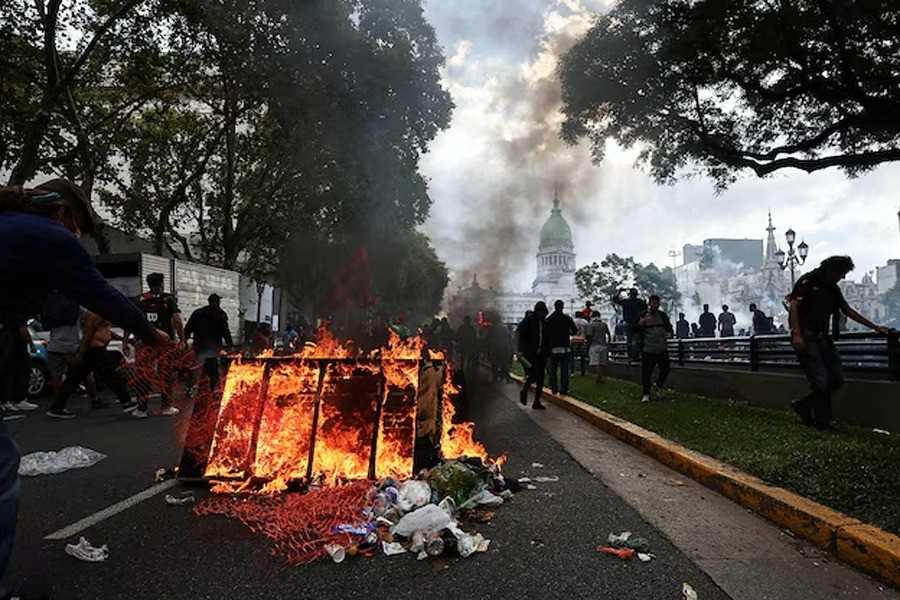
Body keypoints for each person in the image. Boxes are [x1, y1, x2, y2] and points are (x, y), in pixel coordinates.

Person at [0, 180, 167, 590]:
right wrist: (150, 335)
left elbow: (56, 305)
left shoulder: (12, 227)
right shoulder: (51, 236)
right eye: (79, 226)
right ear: (63, 214)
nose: (78, 236)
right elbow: (100, 295)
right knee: (1, 471)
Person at [786, 256, 893, 429]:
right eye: (840, 273)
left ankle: (803, 405)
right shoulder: (807, 281)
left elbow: (847, 310)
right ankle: (823, 421)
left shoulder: (832, 288)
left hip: (823, 337)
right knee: (820, 381)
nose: (842, 277)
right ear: (831, 270)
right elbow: (794, 306)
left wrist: (874, 327)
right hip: (807, 335)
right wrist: (797, 333)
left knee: (836, 378)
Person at [47, 311, 138, 418]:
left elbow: (106, 330)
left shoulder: (102, 312)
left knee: (75, 378)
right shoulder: (95, 313)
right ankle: (126, 401)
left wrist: (121, 339)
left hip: (96, 349)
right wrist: (81, 352)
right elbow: (88, 332)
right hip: (94, 349)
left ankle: (57, 407)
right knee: (110, 374)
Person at [133, 272, 184, 417]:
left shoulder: (139, 299)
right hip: (165, 343)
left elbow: (130, 319)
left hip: (144, 342)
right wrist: (182, 339)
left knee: (143, 373)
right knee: (166, 374)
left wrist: (127, 340)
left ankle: (141, 408)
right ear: (161, 284)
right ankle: (166, 406)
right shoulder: (168, 299)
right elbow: (177, 321)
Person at [184, 294, 234, 393]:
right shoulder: (220, 314)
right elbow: (225, 331)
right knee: (212, 370)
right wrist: (230, 345)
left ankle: (191, 388)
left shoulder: (197, 313)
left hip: (200, 347)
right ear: (217, 302)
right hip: (213, 348)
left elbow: (188, 328)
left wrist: (184, 340)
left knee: (198, 367)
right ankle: (211, 390)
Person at [637, 295, 673, 402]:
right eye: (653, 303)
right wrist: (639, 325)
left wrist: (669, 333)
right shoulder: (643, 315)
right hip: (648, 349)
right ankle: (646, 393)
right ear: (649, 304)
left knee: (666, 369)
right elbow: (633, 330)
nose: (655, 305)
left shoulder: (663, 316)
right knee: (647, 373)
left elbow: (669, 328)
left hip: (661, 348)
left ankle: (658, 385)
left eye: (657, 303)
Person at [516, 301, 549, 410]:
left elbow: (546, 338)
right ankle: (524, 391)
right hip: (529, 353)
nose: (542, 314)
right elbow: (522, 336)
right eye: (540, 312)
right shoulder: (529, 321)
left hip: (541, 353)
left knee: (541, 378)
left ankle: (537, 401)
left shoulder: (544, 322)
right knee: (533, 374)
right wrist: (520, 350)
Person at [545, 299, 577, 395]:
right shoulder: (567, 319)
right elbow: (574, 330)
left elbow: (545, 334)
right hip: (565, 348)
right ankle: (564, 389)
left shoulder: (549, 319)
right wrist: (568, 333)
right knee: (564, 370)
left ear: (554, 307)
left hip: (553, 349)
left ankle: (554, 388)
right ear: (563, 307)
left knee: (553, 371)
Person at [612, 288, 647, 364]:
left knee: (629, 341)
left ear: (629, 294)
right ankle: (637, 356)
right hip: (639, 324)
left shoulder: (627, 302)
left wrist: (619, 291)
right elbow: (646, 311)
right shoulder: (641, 302)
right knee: (638, 340)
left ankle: (631, 357)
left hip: (629, 323)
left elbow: (615, 299)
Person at [585, 311, 611, 383]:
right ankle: (600, 377)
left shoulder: (591, 325)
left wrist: (588, 343)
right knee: (602, 363)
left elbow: (589, 335)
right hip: (603, 345)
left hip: (594, 345)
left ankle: (600, 377)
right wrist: (608, 343)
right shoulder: (604, 324)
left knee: (595, 363)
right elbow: (608, 334)